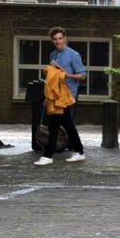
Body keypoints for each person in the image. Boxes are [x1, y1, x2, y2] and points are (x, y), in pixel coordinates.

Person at [35, 26, 86, 166]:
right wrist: (48, 97)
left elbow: (82, 75)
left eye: (60, 38)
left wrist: (66, 74)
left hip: (67, 96)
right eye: (55, 39)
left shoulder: (73, 55)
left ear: (65, 38)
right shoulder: (52, 55)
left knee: (54, 124)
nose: (58, 41)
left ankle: (48, 155)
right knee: (68, 125)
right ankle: (79, 151)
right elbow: (52, 78)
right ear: (52, 40)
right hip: (55, 95)